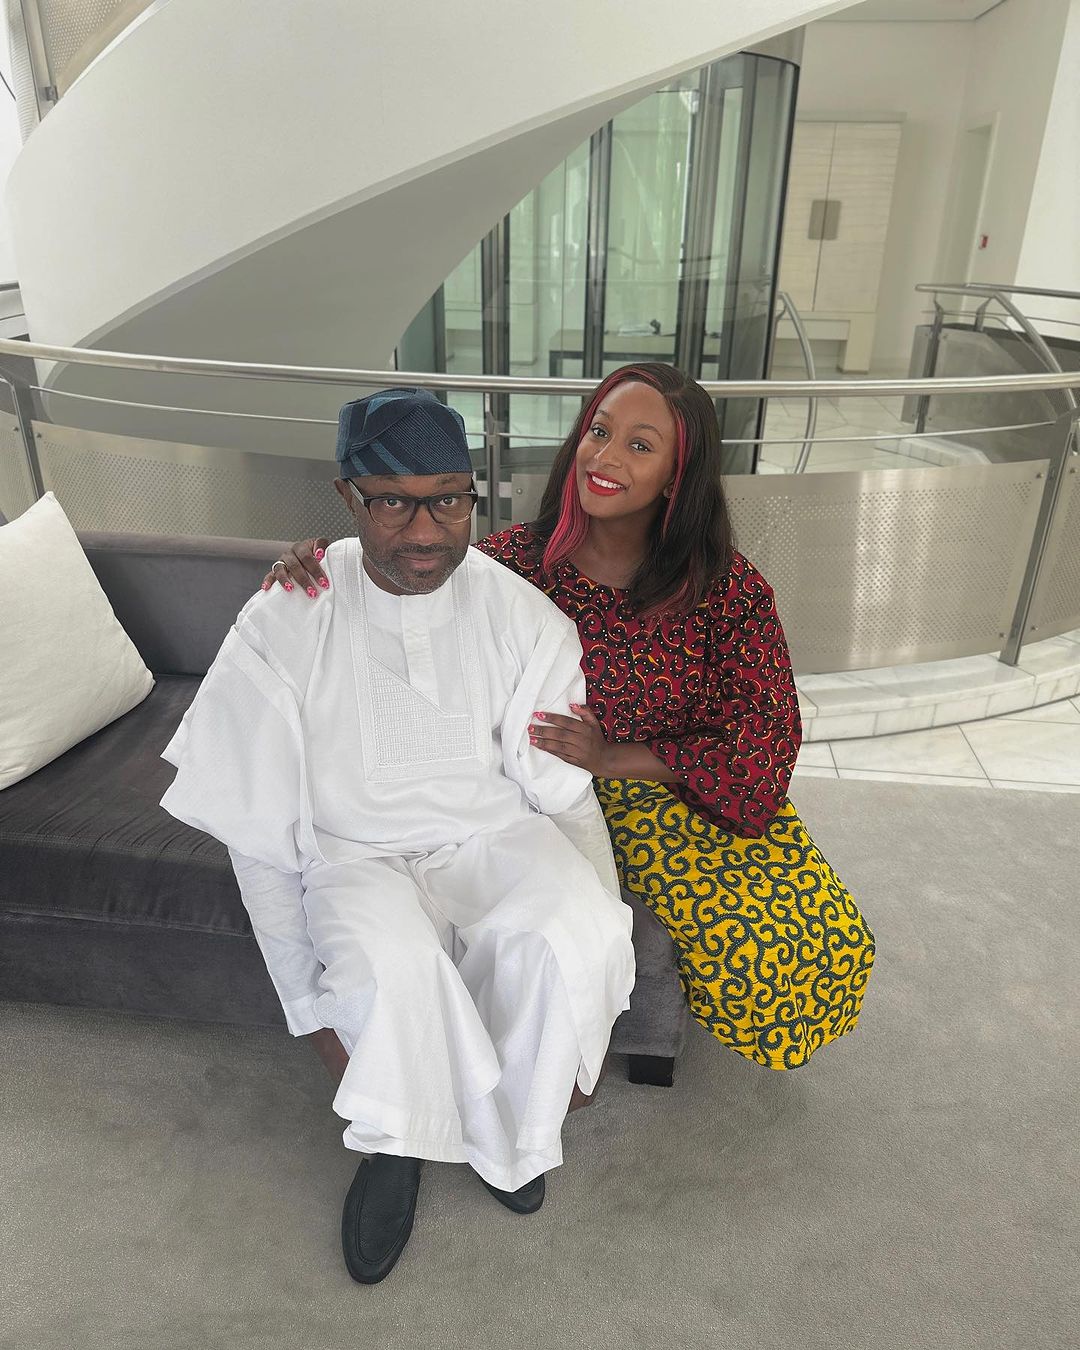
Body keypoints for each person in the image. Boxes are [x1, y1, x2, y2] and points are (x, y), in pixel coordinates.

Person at [268, 364, 875, 1074]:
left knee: (832, 932)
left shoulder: (726, 587)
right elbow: (406, 573)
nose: (606, 457)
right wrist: (322, 560)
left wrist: (614, 754)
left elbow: (766, 738)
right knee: (754, 952)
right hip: (565, 796)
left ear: (677, 477)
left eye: (640, 446)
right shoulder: (513, 566)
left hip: (700, 787)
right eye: (599, 432)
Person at [160, 388, 635, 1286]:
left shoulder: (521, 614)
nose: (425, 531)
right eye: (393, 502)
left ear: (472, 493)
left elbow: (563, 795)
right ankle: (396, 1145)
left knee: (575, 935)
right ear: (348, 497)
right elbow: (256, 833)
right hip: (355, 856)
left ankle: (513, 1133)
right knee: (392, 968)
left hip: (492, 836)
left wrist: (602, 946)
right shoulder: (287, 612)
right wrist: (306, 1008)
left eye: (448, 500)